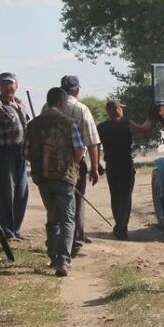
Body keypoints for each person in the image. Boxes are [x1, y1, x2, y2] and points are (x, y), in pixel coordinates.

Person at [26, 87, 86, 277]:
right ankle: (63, 261)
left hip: (42, 179)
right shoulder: (70, 123)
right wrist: (73, 165)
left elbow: (26, 153)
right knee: (67, 219)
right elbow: (78, 150)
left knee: (52, 218)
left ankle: (53, 257)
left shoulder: (34, 124)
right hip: (65, 178)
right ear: (62, 103)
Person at [57, 75, 101, 255]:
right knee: (77, 201)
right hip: (75, 162)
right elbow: (92, 142)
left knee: (57, 202)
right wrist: (95, 168)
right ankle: (75, 242)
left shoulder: (48, 107)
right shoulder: (81, 109)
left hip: (52, 163)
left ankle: (58, 241)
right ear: (76, 90)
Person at [96, 100, 151, 240]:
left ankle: (119, 226)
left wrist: (96, 164)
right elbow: (145, 128)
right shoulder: (126, 123)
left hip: (111, 166)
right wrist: (151, 116)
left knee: (115, 197)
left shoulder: (101, 127)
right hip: (125, 165)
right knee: (125, 198)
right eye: (122, 108)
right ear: (118, 109)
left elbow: (95, 146)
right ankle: (121, 229)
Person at [0, 72, 29, 240]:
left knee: (21, 193)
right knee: (6, 194)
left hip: (20, 153)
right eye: (3, 84)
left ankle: (16, 229)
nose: (7, 87)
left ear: (16, 86)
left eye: (10, 83)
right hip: (4, 154)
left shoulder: (20, 104)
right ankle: (6, 232)